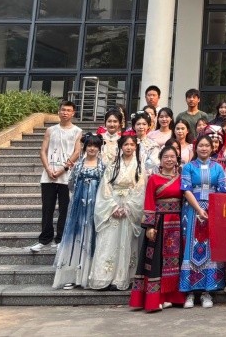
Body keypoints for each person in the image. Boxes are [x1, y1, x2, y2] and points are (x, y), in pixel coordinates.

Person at [129, 144, 186, 312]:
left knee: (175, 261)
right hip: (159, 224)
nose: (169, 159)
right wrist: (149, 226)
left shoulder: (182, 178)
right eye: (166, 157)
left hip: (176, 223)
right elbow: (149, 201)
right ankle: (156, 298)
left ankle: (172, 297)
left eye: (172, 157)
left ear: (177, 160)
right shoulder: (154, 179)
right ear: (160, 160)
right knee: (156, 261)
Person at [89, 133, 146, 290]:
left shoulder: (140, 167)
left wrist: (127, 207)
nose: (129, 147)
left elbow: (140, 190)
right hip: (113, 204)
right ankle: (103, 277)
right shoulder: (113, 165)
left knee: (127, 241)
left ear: (136, 147)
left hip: (130, 207)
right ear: (121, 146)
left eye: (132, 145)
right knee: (108, 240)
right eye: (126, 144)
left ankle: (122, 278)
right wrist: (113, 207)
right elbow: (105, 187)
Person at [179, 131, 226, 308]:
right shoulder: (188, 167)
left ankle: (208, 292)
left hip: (213, 210)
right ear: (196, 148)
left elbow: (222, 191)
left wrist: (211, 210)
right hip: (192, 210)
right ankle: (190, 293)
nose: (204, 148)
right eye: (201, 145)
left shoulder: (218, 168)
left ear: (212, 148)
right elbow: (186, 190)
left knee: (211, 248)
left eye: (207, 145)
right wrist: (199, 209)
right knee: (190, 247)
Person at [52, 132, 104, 289]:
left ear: (99, 148)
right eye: (89, 145)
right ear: (84, 147)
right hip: (78, 207)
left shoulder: (103, 166)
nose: (92, 149)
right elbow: (71, 184)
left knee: (93, 237)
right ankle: (73, 276)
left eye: (95, 146)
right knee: (76, 238)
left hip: (96, 207)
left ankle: (90, 275)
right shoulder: (78, 165)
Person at [32, 100, 82, 252]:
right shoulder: (50, 130)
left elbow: (77, 152)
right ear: (58, 111)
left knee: (64, 209)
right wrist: (48, 169)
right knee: (47, 208)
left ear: (73, 113)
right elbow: (43, 150)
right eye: (63, 110)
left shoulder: (77, 131)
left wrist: (63, 169)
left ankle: (60, 238)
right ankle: (45, 239)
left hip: (66, 176)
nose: (65, 113)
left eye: (68, 110)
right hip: (48, 176)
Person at [132, 112, 159, 176]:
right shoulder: (128, 143)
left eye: (144, 124)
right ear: (134, 126)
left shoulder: (153, 145)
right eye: (138, 124)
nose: (141, 127)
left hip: (146, 177)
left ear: (148, 126)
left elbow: (153, 163)